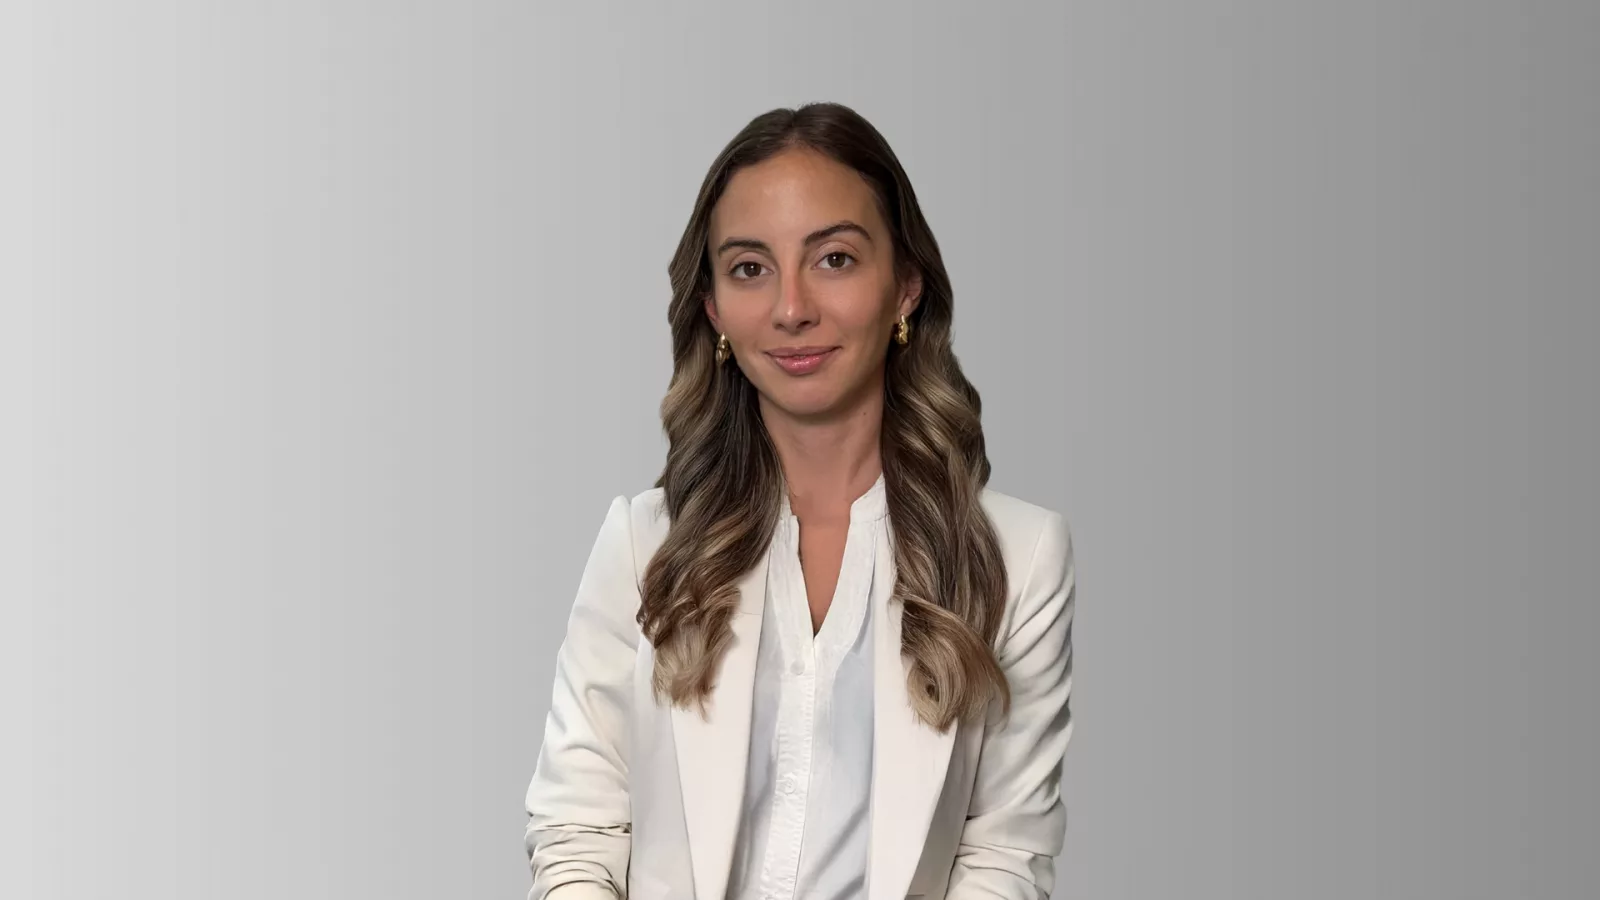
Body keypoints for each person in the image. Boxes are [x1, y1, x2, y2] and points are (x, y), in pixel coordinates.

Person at [523, 102, 1076, 900]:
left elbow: (1005, 856)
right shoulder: (644, 547)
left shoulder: (1019, 560)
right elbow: (576, 830)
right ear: (713, 309)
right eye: (751, 268)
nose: (791, 309)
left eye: (834, 259)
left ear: (906, 286)